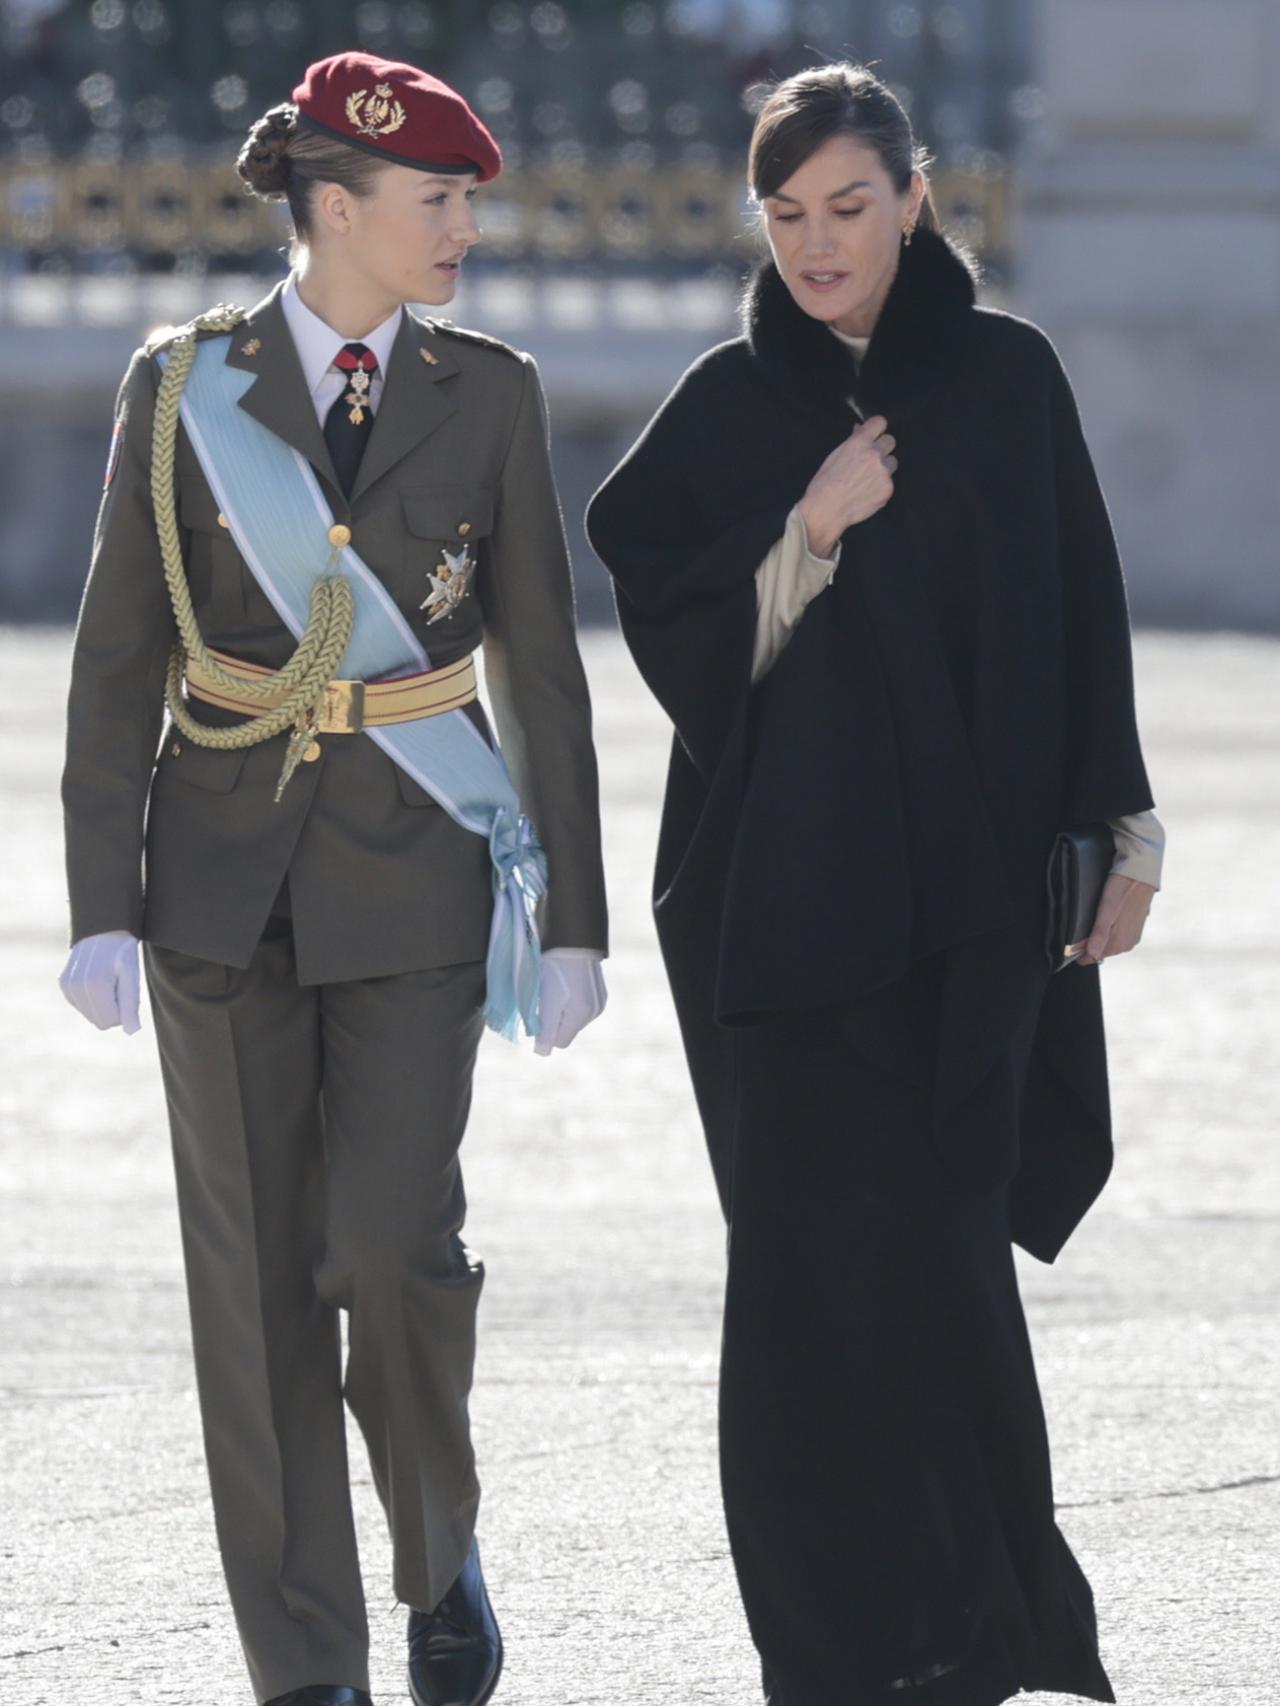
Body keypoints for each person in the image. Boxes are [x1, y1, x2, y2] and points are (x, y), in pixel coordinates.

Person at [586, 62, 1162, 1706]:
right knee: (797, 1294)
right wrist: (810, 529)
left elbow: (1080, 603)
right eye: (786, 216)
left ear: (916, 198)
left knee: (946, 1267)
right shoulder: (729, 404)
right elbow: (687, 637)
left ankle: (979, 1632)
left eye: (849, 206)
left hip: (974, 915)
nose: (818, 244)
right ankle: (831, 1657)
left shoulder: (1005, 377)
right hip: (786, 925)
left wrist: (1122, 828)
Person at [59, 51, 608, 1706]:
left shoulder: (489, 393)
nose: (463, 226)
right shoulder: (184, 393)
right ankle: (307, 1663)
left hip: (416, 891)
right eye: (436, 200)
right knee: (257, 1297)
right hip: (218, 894)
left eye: (464, 199)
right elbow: (112, 660)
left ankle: (438, 1536)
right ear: (335, 206)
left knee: (387, 1253)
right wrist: (98, 900)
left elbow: (543, 670)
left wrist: (571, 915)